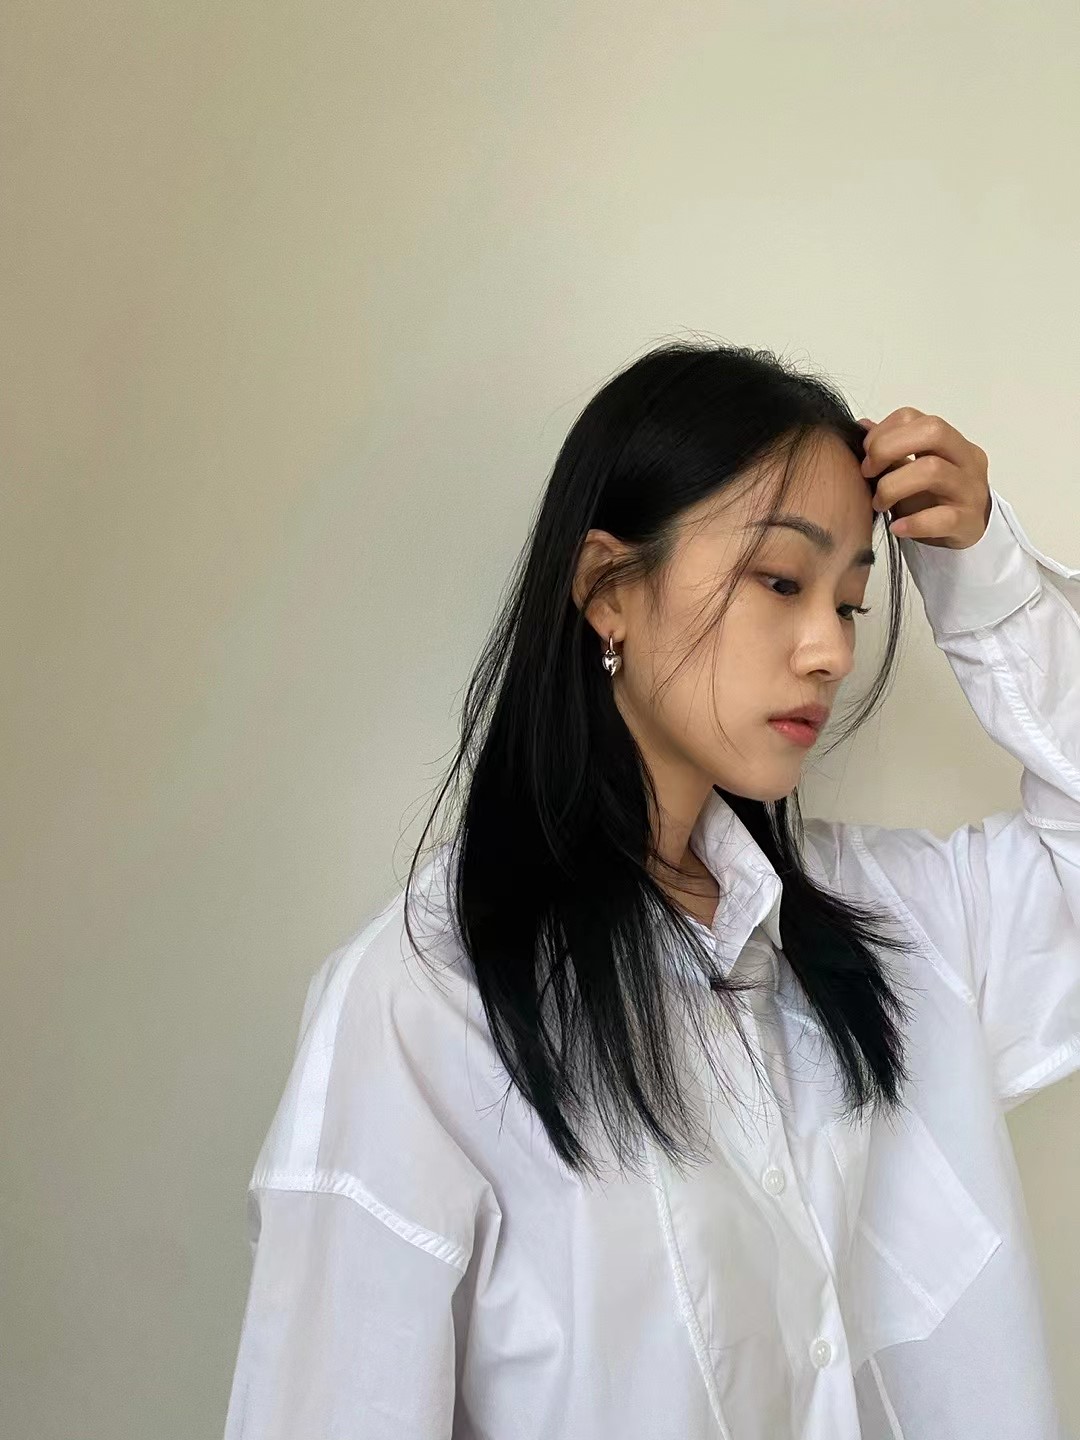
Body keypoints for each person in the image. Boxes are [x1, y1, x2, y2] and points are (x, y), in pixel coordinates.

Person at [222, 341, 1080, 1440]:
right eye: (781, 582)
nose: (829, 649)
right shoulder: (428, 1006)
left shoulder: (896, 927)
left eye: (852, 602)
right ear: (609, 590)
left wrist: (988, 578)